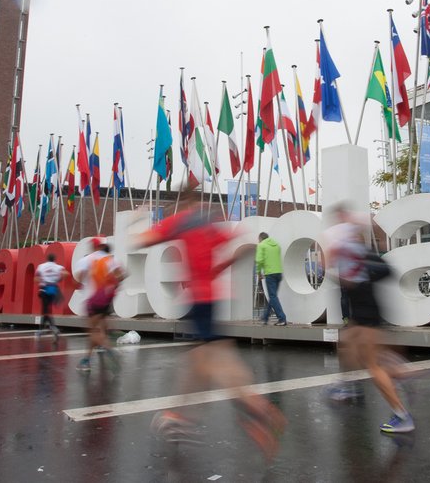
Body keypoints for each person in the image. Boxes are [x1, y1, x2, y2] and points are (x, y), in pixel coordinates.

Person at [145, 191, 286, 460]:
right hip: (211, 299)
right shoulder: (207, 224)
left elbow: (148, 238)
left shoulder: (184, 220)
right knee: (203, 362)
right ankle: (182, 417)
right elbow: (230, 249)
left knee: (213, 365)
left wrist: (138, 224)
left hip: (200, 300)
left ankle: (256, 409)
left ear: (182, 202)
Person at [323, 203, 414, 434]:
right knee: (347, 344)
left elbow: (381, 273)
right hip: (362, 316)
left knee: (373, 366)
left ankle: (402, 415)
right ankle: (349, 385)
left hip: (367, 316)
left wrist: (357, 275)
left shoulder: (359, 255)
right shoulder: (355, 256)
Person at [75, 240, 124, 371]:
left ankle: (109, 350)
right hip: (106, 298)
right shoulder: (110, 259)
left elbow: (79, 277)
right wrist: (112, 288)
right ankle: (86, 360)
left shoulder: (87, 259)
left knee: (92, 331)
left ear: (93, 246)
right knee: (99, 328)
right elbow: (121, 276)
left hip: (92, 298)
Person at [255, 233, 287, 326]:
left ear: (260, 238)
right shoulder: (276, 245)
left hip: (270, 274)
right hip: (279, 273)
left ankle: (282, 319)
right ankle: (265, 317)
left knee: (273, 297)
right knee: (273, 297)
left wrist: (258, 272)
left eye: (258, 239)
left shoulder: (261, 245)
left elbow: (259, 260)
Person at [35, 253, 68, 339]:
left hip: (44, 289)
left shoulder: (41, 266)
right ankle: (42, 329)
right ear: (54, 259)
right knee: (46, 310)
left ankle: (52, 327)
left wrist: (43, 280)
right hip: (53, 289)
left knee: (45, 310)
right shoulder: (58, 267)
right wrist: (58, 279)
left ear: (47, 259)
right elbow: (66, 274)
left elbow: (35, 278)